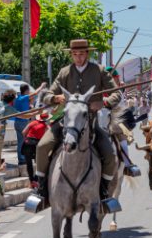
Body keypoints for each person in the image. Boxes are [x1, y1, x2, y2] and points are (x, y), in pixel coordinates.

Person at [34, 39, 121, 206]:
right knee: (42, 146)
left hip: (91, 122)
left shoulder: (100, 71)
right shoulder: (64, 72)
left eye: (81, 54)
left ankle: (103, 191)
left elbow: (116, 94)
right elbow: (46, 95)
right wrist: (54, 97)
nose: (78, 57)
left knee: (110, 155)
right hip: (66, 122)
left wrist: (103, 103)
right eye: (75, 54)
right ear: (71, 55)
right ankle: (42, 189)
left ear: (88, 53)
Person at [13, 82, 46, 165]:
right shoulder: (23, 98)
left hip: (18, 122)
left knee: (21, 141)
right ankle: (22, 158)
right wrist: (41, 86)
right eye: (28, 90)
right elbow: (35, 93)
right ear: (26, 90)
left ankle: (22, 158)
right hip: (22, 122)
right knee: (23, 141)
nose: (29, 92)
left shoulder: (18, 98)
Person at [21, 112, 50, 186]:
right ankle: (36, 179)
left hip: (27, 142)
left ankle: (31, 180)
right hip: (37, 143)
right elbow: (48, 135)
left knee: (29, 163)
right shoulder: (45, 125)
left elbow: (23, 132)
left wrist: (26, 139)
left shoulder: (32, 122)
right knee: (38, 163)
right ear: (46, 119)